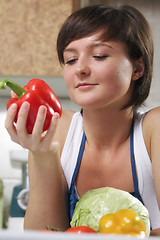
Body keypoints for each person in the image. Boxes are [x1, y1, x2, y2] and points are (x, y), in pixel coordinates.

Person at [5, 4, 160, 235]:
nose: (80, 69)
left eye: (98, 55)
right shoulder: (59, 129)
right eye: (70, 60)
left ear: (138, 68)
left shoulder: (153, 129)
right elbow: (45, 235)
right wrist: (42, 154)